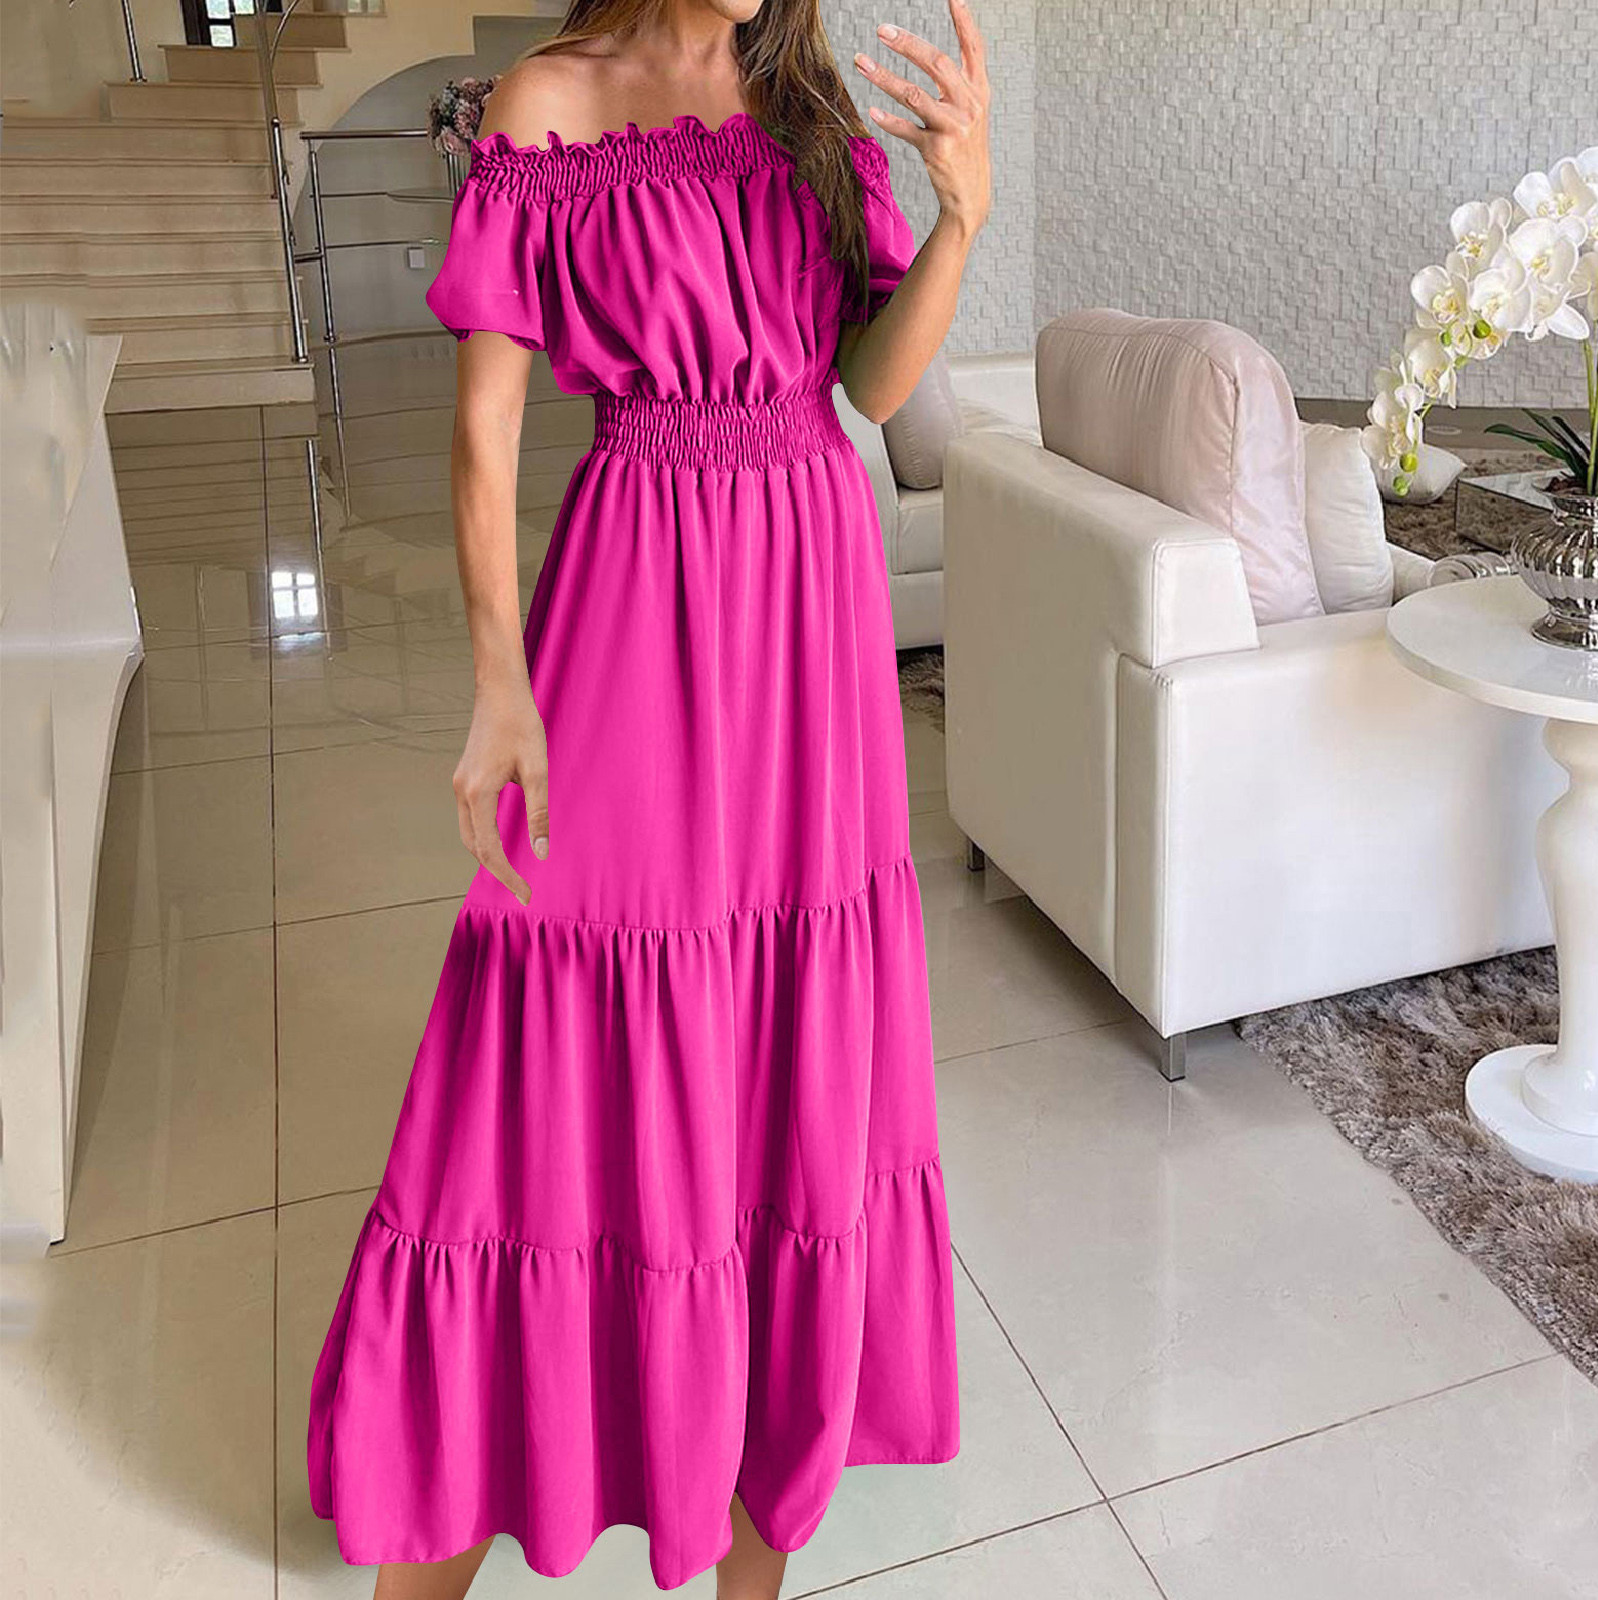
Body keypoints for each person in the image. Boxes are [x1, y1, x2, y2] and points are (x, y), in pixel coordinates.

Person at [305, 3, 991, 1596]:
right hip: (638, 582)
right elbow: (484, 429)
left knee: (786, 1037)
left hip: (810, 602)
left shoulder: (804, 102)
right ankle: (456, 1483)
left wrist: (962, 216)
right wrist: (500, 680)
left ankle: (748, 1517)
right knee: (542, 1018)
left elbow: (871, 385)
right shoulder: (549, 102)